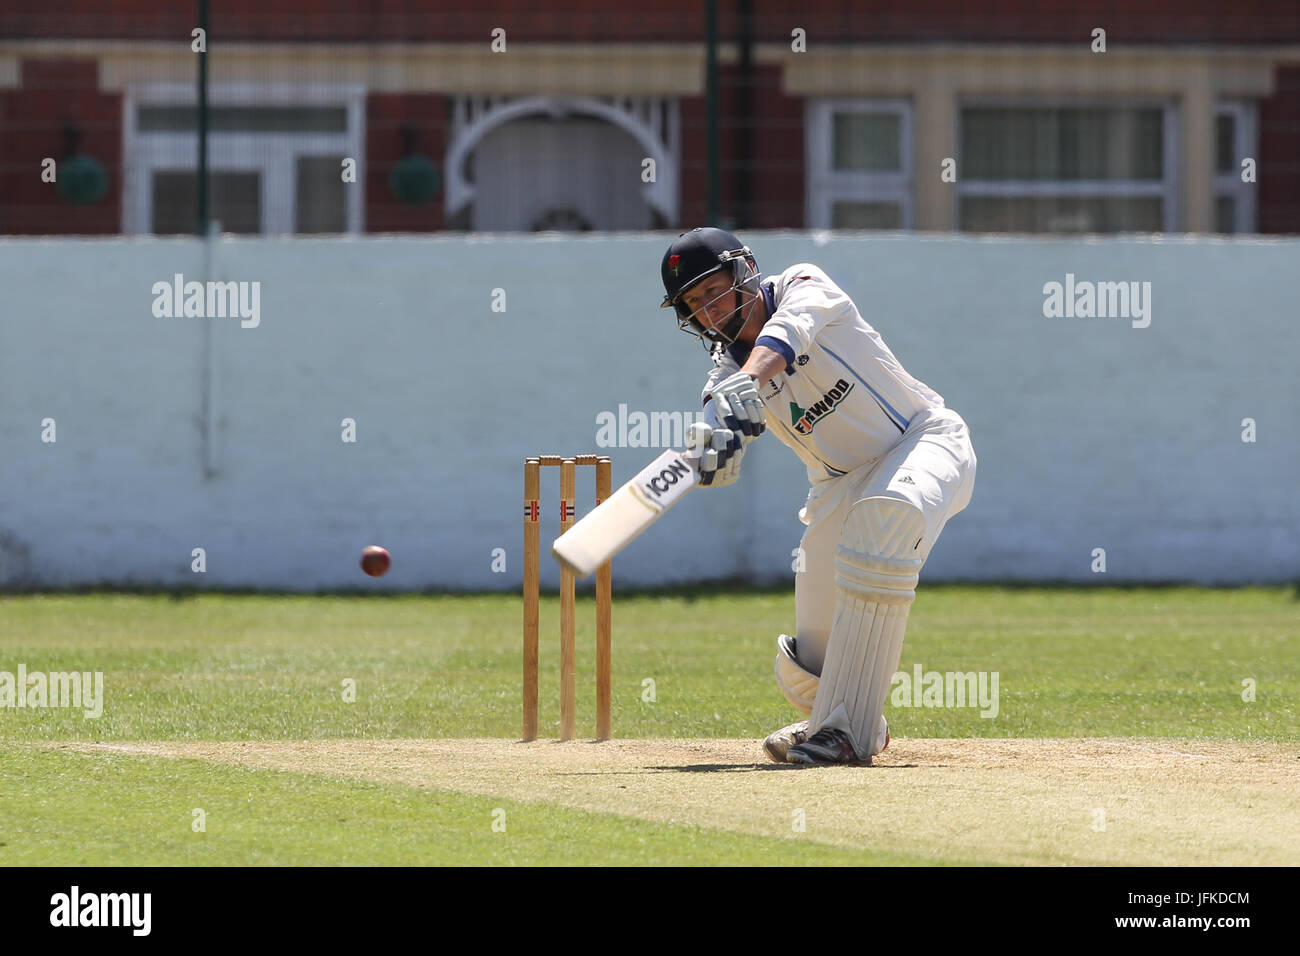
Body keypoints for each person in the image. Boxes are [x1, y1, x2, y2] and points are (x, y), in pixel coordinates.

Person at [660, 227, 976, 766]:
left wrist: (748, 380)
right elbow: (715, 420)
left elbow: (787, 334)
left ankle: (845, 737)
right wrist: (713, 449)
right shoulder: (724, 373)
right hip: (837, 487)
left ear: (742, 273)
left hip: (922, 442)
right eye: (693, 305)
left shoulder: (804, 283)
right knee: (807, 663)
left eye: (711, 291)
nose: (708, 311)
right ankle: (844, 722)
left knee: (885, 520)